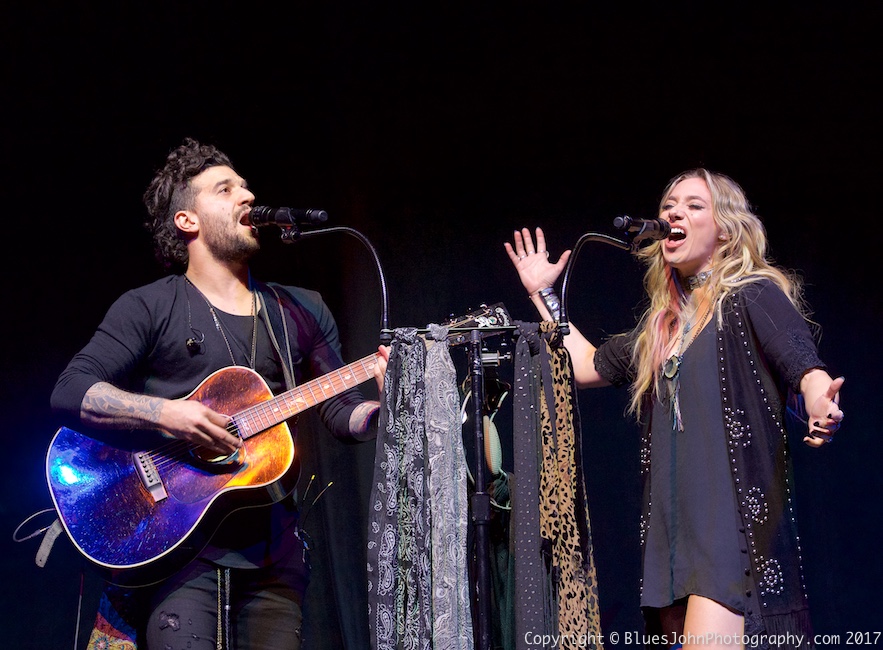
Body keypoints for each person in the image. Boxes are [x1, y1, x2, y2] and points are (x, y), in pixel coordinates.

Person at [51, 137, 388, 650]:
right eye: (226, 188)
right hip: (177, 549)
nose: (247, 196)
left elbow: (342, 412)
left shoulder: (300, 309)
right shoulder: (149, 306)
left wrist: (390, 408)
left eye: (245, 186)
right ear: (188, 221)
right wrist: (168, 415)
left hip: (273, 555)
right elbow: (70, 390)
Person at [504, 169, 844, 650]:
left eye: (693, 205)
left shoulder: (751, 294)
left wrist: (816, 396)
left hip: (727, 534)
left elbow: (800, 361)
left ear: (725, 228)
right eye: (668, 205)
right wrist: (543, 293)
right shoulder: (660, 330)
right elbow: (583, 365)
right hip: (669, 539)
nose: (673, 213)